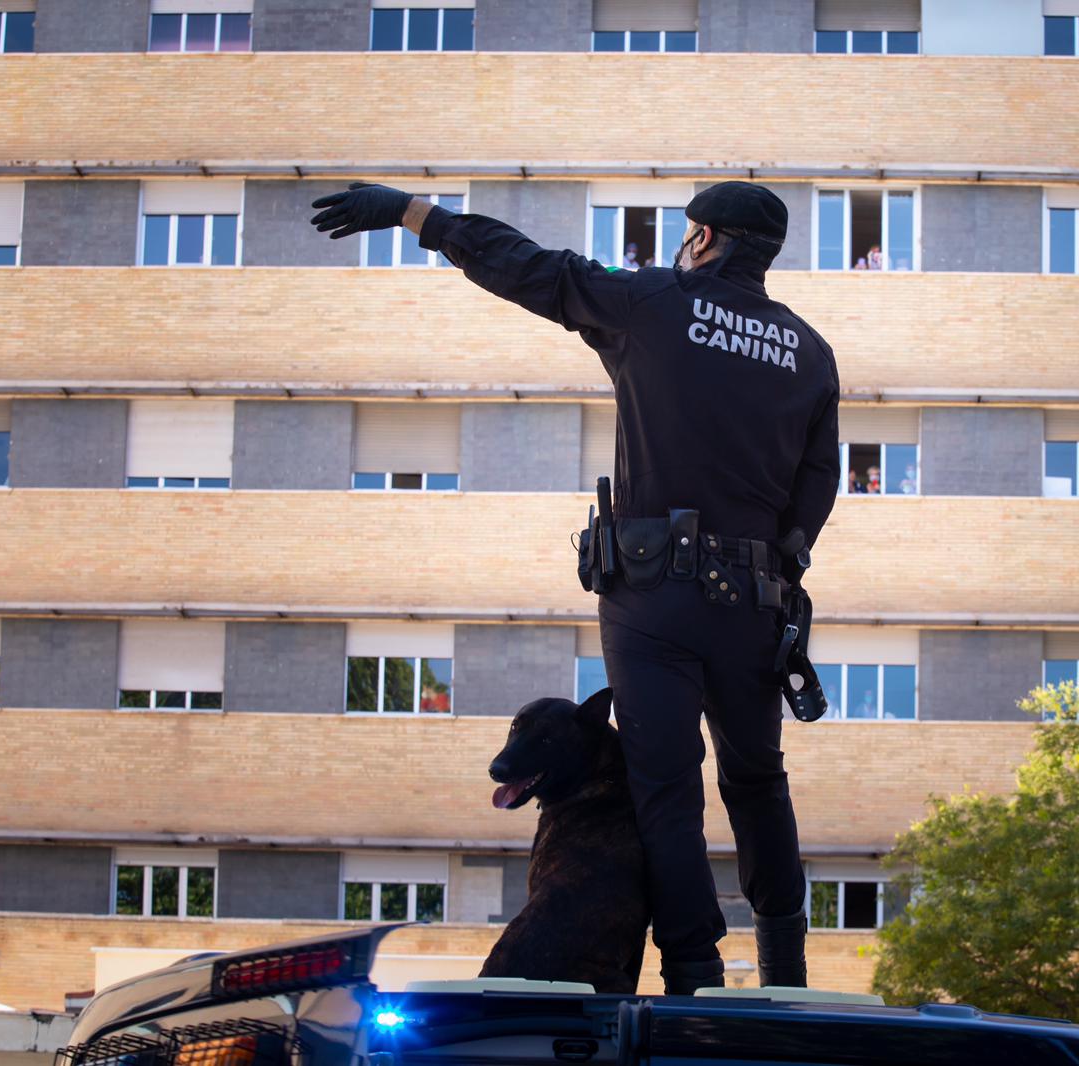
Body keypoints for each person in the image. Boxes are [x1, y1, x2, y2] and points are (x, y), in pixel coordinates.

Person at [310, 180, 841, 996]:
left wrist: (418, 214)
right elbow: (819, 481)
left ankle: (694, 982)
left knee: (666, 791)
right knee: (757, 781)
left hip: (654, 595)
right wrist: (782, 563)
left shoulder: (655, 303)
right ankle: (786, 976)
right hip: (756, 603)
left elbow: (530, 268)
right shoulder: (808, 351)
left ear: (705, 238)